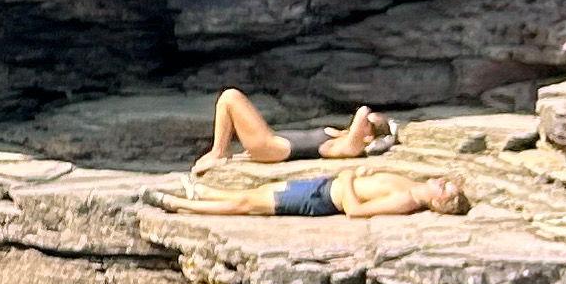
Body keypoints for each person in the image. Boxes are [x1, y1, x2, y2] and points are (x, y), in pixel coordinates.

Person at [176, 156, 472, 221]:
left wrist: (346, 180)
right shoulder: (411, 185)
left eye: (445, 189)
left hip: (322, 198)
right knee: (253, 193)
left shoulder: (406, 200)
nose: (441, 181)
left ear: (438, 204)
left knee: (246, 205)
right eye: (446, 182)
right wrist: (359, 173)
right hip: (324, 186)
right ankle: (202, 193)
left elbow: (356, 210)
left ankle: (181, 206)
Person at [196, 85, 391, 175]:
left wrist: (371, 116)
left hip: (271, 147)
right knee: (228, 98)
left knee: (230, 97)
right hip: (271, 144)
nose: (363, 118)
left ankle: (219, 152)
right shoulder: (342, 136)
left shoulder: (348, 147)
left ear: (368, 136)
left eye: (369, 124)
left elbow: (362, 114)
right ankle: (220, 151)